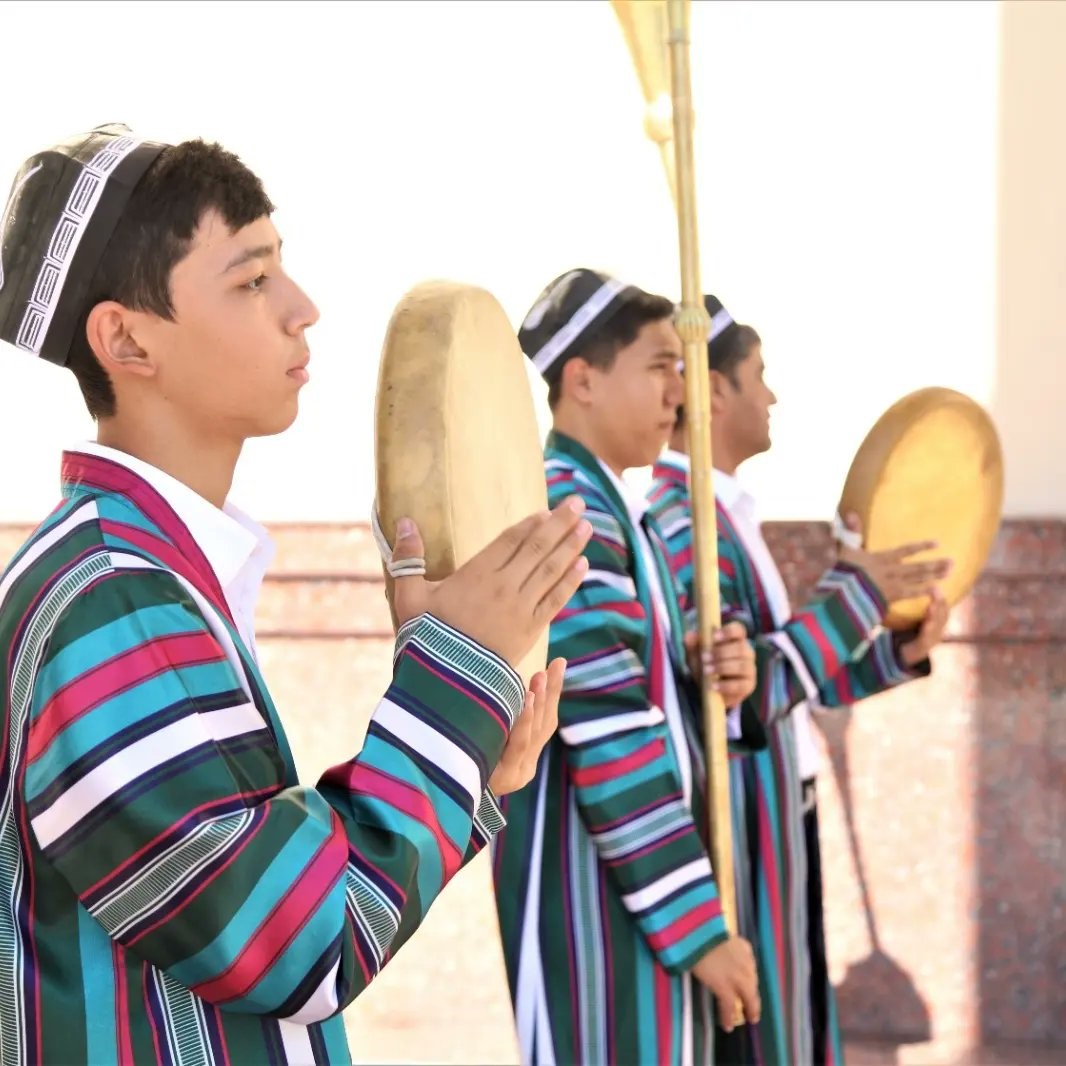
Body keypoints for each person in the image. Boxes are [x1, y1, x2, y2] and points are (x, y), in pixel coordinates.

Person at [0, 123, 591, 1065]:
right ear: (126, 339)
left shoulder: (141, 574)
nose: (302, 308)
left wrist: (473, 756)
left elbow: (269, 890)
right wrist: (450, 690)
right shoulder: (107, 600)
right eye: (251, 280)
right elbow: (296, 944)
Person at [648, 294, 952, 1065]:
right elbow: (740, 697)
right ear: (714, 393)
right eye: (759, 375)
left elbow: (789, 680)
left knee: (795, 1007)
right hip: (743, 815)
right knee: (765, 1025)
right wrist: (858, 594)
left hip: (781, 802)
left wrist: (896, 650)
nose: (773, 396)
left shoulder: (722, 510)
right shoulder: (680, 519)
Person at [491, 268, 763, 1066]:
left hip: (631, 888)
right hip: (596, 894)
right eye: (659, 366)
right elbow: (609, 733)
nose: (680, 391)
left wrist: (716, 670)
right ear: (582, 379)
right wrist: (698, 929)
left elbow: (644, 693)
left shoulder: (609, 505)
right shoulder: (569, 512)